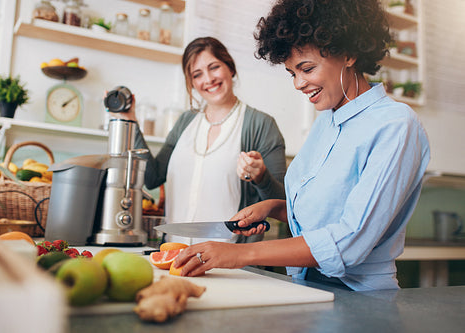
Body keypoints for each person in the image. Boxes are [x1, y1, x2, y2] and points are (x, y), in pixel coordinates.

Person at [174, 0, 430, 291]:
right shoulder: (326, 121)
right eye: (292, 73)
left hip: (360, 296)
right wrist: (273, 207)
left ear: (348, 54)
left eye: (306, 68)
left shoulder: (395, 125)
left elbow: (350, 240)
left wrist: (239, 254)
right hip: (307, 284)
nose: (298, 83)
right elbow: (324, 215)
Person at [128, 37, 287, 244]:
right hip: (175, 252)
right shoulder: (186, 121)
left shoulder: (261, 125)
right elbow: (152, 177)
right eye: (197, 74)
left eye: (214, 67)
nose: (209, 79)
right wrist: (130, 122)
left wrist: (261, 176)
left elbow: (282, 203)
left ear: (230, 67)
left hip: (231, 260)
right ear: (192, 83)